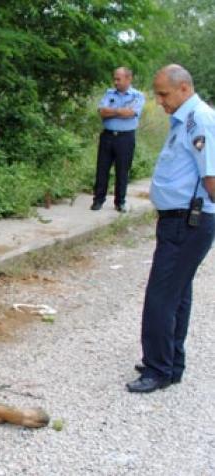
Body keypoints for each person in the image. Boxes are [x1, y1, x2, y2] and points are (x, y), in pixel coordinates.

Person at [127, 65, 215, 393]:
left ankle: (157, 369)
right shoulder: (184, 120)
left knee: (161, 296)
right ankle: (172, 362)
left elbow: (211, 177)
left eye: (163, 94)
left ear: (183, 89)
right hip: (178, 220)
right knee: (178, 293)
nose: (159, 101)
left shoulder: (199, 120)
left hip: (188, 222)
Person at [91, 67, 145, 213]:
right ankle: (98, 200)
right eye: (114, 79)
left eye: (118, 79)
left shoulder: (137, 96)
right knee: (102, 169)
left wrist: (112, 111)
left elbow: (131, 113)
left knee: (122, 171)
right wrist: (120, 111)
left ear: (128, 79)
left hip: (125, 138)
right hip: (108, 136)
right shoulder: (109, 93)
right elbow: (102, 112)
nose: (115, 82)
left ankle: (120, 202)